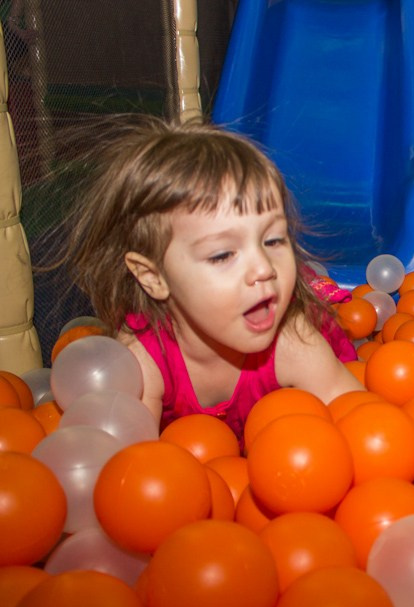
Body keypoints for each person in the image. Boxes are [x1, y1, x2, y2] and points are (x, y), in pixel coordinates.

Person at [57, 115, 362, 447]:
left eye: (273, 240)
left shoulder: (294, 341)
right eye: (222, 255)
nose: (264, 268)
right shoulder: (143, 360)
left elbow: (364, 427)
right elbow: (132, 466)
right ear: (153, 277)